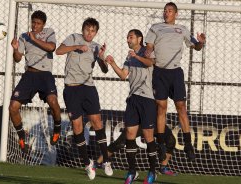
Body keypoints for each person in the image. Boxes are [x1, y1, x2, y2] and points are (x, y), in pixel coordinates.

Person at [145, 2, 206, 162]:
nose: (167, 13)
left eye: (170, 11)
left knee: (181, 107)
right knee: (161, 108)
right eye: (165, 10)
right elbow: (149, 46)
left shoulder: (183, 29)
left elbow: (196, 46)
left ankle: (188, 144)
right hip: (159, 72)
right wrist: (148, 52)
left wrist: (200, 42)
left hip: (176, 73)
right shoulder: (155, 27)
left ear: (176, 14)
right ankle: (161, 145)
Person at [55, 17, 112, 180]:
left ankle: (106, 161)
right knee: (77, 125)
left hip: (88, 88)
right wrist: (77, 47)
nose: (89, 33)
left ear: (96, 32)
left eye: (93, 30)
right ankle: (87, 164)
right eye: (87, 29)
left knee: (97, 122)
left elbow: (105, 70)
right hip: (72, 89)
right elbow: (58, 51)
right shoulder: (74, 38)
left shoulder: (96, 46)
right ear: (83, 29)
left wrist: (101, 57)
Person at [105, 29, 157, 184]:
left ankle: (152, 171)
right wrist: (112, 62)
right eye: (127, 36)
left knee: (148, 137)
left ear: (139, 39)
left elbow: (150, 63)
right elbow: (123, 75)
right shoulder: (129, 56)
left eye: (131, 36)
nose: (128, 39)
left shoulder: (146, 51)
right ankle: (132, 171)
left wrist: (137, 56)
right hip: (133, 99)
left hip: (147, 99)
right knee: (129, 134)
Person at [9, 10, 62, 153]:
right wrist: (15, 50)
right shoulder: (24, 36)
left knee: (53, 102)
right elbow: (18, 58)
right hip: (29, 75)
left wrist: (34, 39)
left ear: (43, 24)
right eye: (33, 22)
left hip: (45, 75)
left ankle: (57, 128)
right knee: (13, 107)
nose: (35, 25)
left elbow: (51, 47)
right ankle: (22, 138)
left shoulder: (49, 32)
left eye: (38, 23)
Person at [96, 125, 177, 177]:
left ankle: (163, 167)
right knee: (119, 144)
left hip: (154, 122)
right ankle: (97, 163)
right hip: (139, 123)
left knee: (171, 140)